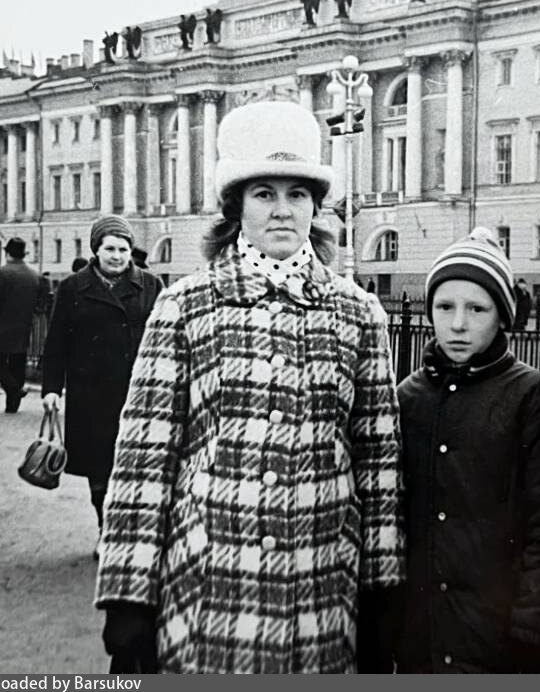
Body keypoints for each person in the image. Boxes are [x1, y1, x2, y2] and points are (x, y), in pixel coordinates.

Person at [94, 101, 404, 674]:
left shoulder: (359, 313)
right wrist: (128, 597)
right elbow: (145, 458)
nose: (282, 210)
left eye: (297, 194)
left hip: (319, 598)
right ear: (236, 206)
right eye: (264, 193)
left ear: (316, 207)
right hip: (208, 592)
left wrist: (382, 591)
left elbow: (378, 463)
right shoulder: (185, 306)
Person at [394, 228, 540, 673]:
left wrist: (532, 622)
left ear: (502, 316)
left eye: (477, 309)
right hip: (421, 633)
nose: (458, 324)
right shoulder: (408, 397)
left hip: (495, 632)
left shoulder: (530, 396)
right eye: (444, 307)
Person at [40, 216, 163, 534]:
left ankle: (132, 529)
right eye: (110, 249)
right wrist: (51, 388)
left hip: (138, 392)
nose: (117, 256)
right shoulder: (73, 287)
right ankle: (105, 528)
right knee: (99, 467)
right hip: (90, 392)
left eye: (123, 249)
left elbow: (168, 340)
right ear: (96, 250)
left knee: (138, 463)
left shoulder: (151, 286)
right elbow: (57, 341)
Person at [0, 237, 44, 414]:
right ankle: (12, 405)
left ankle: (14, 390)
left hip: (2, 324)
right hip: (24, 323)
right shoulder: (34, 275)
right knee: (18, 361)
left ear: (7, 253)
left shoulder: (2, 273)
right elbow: (41, 300)